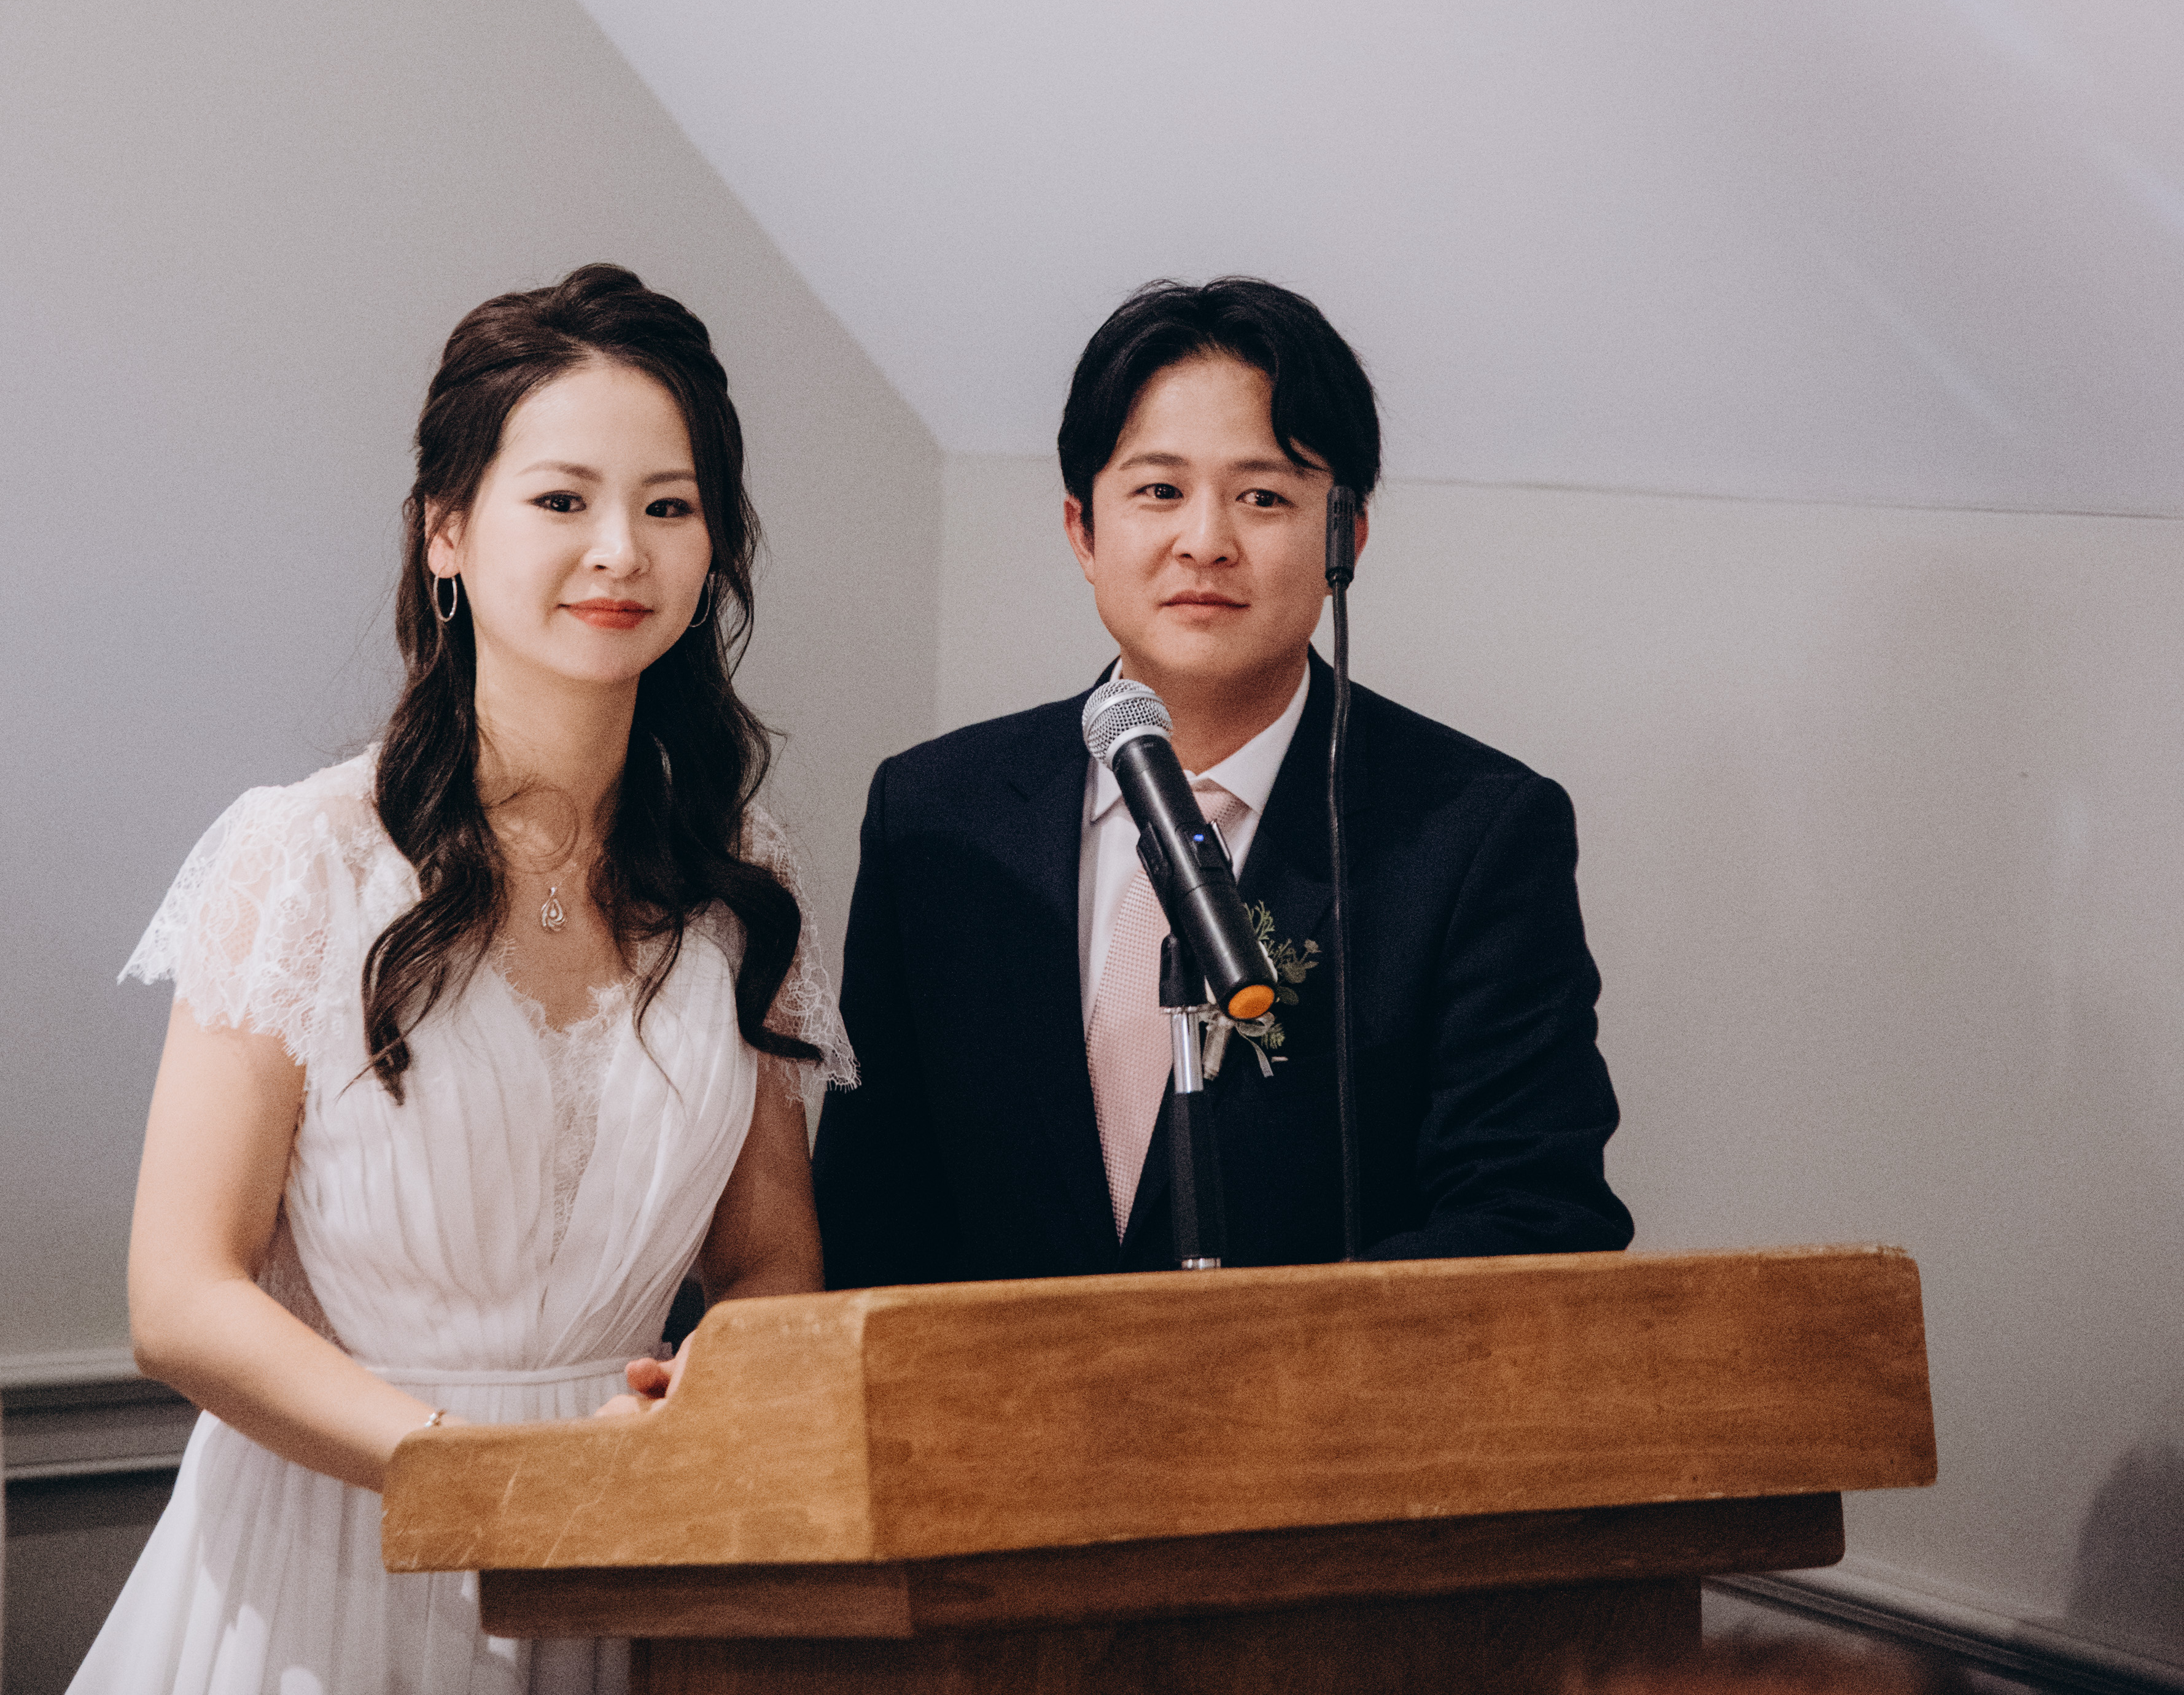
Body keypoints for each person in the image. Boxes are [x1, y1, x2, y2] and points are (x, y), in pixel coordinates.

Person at [75, 263, 850, 1695]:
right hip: (336, 1551)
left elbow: (767, 1261)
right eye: (561, 498)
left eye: (668, 506)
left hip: (620, 1558)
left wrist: (699, 1404)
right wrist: (475, 1472)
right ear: (447, 527)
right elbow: (179, 1295)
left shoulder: (741, 878)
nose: (619, 550)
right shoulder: (305, 856)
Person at [813, 275, 1631, 1282]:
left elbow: (1533, 1214)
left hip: (1323, 1386)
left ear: (1345, 539)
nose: (1204, 541)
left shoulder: (1473, 832)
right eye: (1159, 491)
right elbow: (870, 1202)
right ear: (1082, 530)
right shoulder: (935, 813)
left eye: (1263, 497)